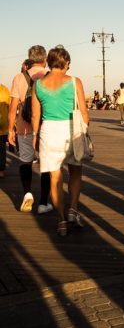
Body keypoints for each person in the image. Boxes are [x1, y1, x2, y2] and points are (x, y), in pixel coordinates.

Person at [31, 46, 89, 237]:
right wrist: (85, 131)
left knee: (55, 178)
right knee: (75, 171)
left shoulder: (38, 85)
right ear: (66, 63)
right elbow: (84, 114)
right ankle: (73, 209)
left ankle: (61, 221)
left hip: (48, 131)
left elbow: (35, 116)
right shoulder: (74, 81)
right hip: (71, 130)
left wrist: (34, 137)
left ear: (48, 62)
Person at [7, 48, 52, 213]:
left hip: (24, 128)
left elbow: (12, 108)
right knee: (46, 163)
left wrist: (10, 130)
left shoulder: (19, 77)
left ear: (30, 59)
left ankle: (27, 193)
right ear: (45, 59)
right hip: (45, 128)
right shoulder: (49, 76)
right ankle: (43, 203)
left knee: (25, 161)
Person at [0, 81, 10, 178]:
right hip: (3, 123)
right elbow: (9, 106)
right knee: (2, 148)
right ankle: (1, 171)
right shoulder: (5, 90)